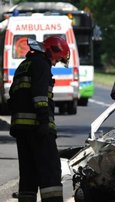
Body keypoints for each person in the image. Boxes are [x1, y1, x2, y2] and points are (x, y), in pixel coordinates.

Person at [9, 36, 70, 202]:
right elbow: (40, 97)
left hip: (21, 130)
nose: (56, 63)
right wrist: (44, 123)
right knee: (50, 170)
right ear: (52, 52)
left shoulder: (24, 65)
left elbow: (13, 96)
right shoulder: (41, 65)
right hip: (38, 128)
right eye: (58, 60)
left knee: (28, 173)